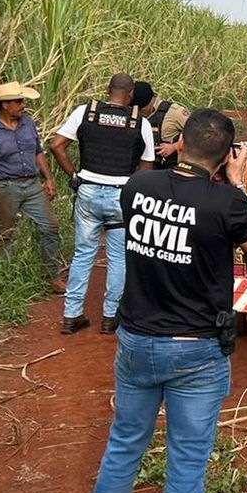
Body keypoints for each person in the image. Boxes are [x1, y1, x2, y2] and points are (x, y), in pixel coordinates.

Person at [85, 109, 247, 493]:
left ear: (182, 143)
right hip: (197, 350)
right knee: (187, 461)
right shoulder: (226, 203)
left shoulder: (138, 187)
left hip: (136, 341)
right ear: (228, 154)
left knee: (122, 448)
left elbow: (168, 198)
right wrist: (239, 180)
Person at [50, 73, 155, 335]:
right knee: (118, 258)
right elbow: (146, 167)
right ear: (131, 95)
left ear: (107, 90)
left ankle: (71, 315)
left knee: (83, 254)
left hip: (87, 192)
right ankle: (110, 318)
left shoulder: (86, 112)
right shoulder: (139, 123)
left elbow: (57, 145)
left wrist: (74, 175)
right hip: (121, 195)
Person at [0, 81, 64, 293]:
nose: (22, 105)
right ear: (4, 105)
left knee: (50, 227)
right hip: (4, 187)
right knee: (5, 235)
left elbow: (37, 152)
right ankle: (6, 279)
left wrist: (48, 178)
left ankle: (52, 276)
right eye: (18, 101)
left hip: (31, 184)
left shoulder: (28, 123)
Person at [131, 81, 191, 170]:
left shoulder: (174, 112)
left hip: (169, 167)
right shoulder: (132, 110)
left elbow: (199, 134)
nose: (137, 111)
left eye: (140, 109)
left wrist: (174, 146)